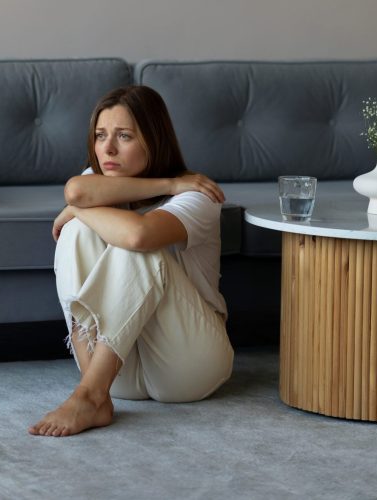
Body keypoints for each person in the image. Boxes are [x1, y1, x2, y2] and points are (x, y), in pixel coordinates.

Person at [28, 85, 234, 438]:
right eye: (100, 136)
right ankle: (94, 388)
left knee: (133, 241)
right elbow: (77, 191)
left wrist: (79, 209)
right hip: (117, 371)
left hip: (189, 365)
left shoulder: (198, 196)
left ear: (154, 140)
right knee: (77, 230)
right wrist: (166, 183)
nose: (107, 149)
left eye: (124, 136)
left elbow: (138, 236)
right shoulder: (100, 183)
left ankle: (88, 396)